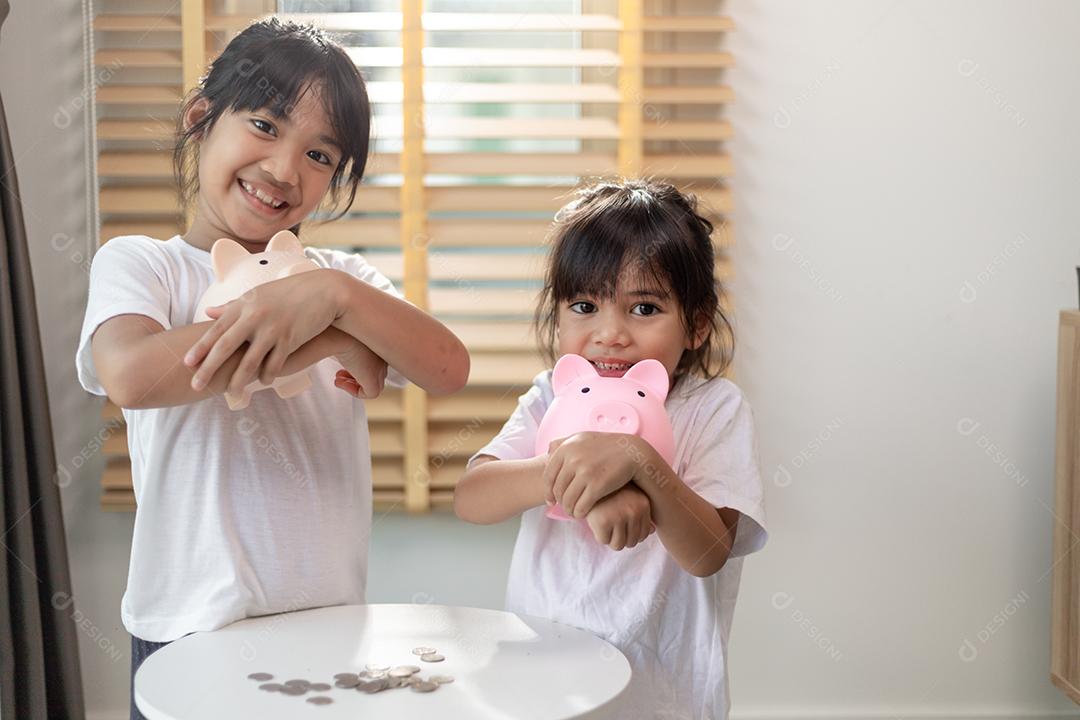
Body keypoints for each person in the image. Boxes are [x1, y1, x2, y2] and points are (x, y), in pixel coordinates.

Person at [74, 19, 468, 720]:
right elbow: (132, 374)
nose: (285, 170)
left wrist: (334, 297)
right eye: (263, 124)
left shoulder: (342, 277)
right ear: (201, 118)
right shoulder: (144, 265)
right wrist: (328, 339)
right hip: (187, 628)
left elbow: (446, 367)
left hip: (326, 628)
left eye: (319, 154)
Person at [454, 179, 767, 719]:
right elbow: (473, 498)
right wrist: (570, 467)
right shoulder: (551, 394)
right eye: (584, 305)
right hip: (547, 678)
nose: (610, 333)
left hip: (662, 690)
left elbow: (708, 552)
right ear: (558, 316)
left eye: (643, 309)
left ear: (695, 324)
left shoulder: (714, 407)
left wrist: (639, 462)